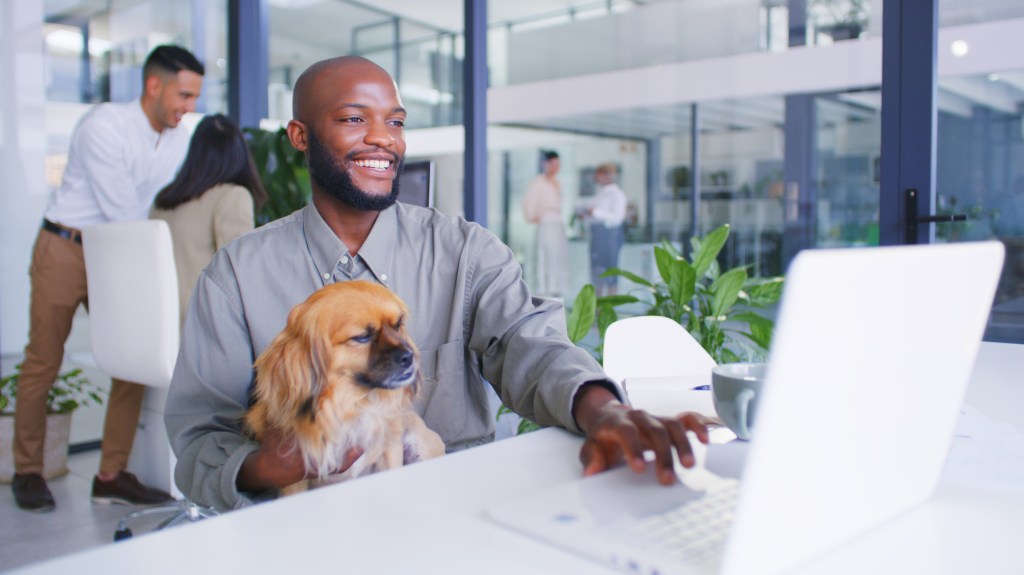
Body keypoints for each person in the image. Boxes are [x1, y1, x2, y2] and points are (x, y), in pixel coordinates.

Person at [163, 56, 708, 512]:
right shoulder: (236, 276)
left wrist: (604, 410)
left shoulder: (466, 252)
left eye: (395, 122)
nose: (383, 138)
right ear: (300, 136)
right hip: (303, 525)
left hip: (450, 511)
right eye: (354, 119)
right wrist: (267, 464)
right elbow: (198, 436)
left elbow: (533, 347)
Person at [12, 45, 204, 513]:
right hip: (68, 248)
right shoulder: (105, 126)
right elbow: (125, 209)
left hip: (119, 250)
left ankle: (111, 473)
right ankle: (27, 471)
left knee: (132, 358)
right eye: (183, 95)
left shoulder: (178, 136)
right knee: (44, 361)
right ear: (153, 86)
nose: (189, 107)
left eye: (195, 97)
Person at [150, 113, 268, 326]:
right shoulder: (233, 195)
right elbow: (239, 272)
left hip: (159, 320)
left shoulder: (164, 199)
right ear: (239, 154)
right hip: (203, 324)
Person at [522, 150, 570, 298]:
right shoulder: (538, 182)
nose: (556, 168)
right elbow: (529, 202)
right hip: (545, 223)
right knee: (543, 255)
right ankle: (542, 289)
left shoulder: (558, 183)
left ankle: (556, 288)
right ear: (546, 164)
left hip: (557, 224)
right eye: (554, 164)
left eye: (558, 165)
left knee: (557, 256)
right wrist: (532, 216)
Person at [583, 163, 628, 296]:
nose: (596, 177)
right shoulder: (601, 193)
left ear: (606, 175)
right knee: (597, 271)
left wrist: (596, 212)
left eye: (598, 174)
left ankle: (610, 305)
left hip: (610, 236)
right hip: (597, 236)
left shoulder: (617, 194)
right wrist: (588, 215)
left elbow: (617, 218)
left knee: (611, 270)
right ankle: (597, 306)